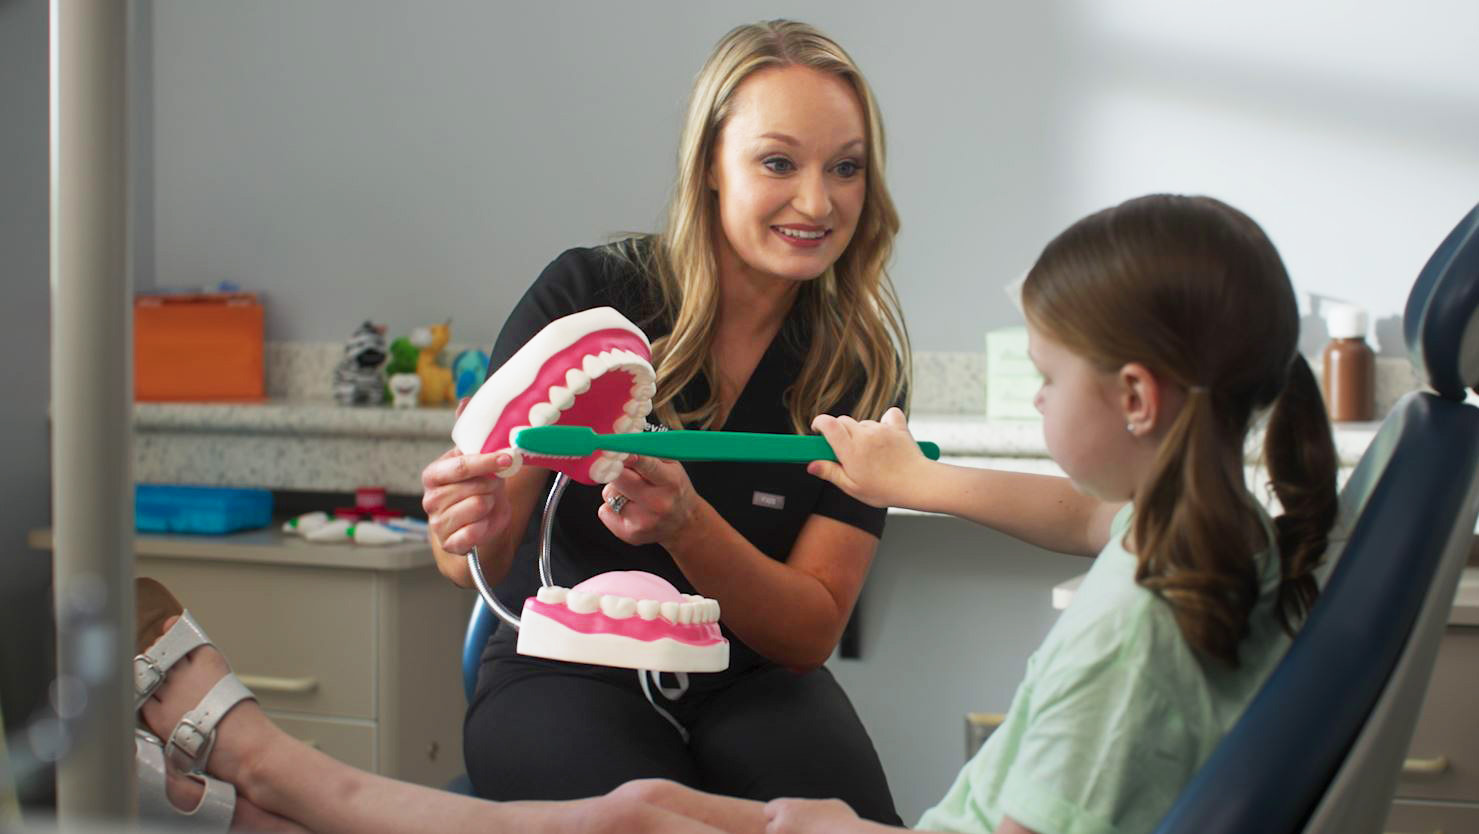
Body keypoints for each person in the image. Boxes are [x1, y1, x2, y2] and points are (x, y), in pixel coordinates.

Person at [612, 193, 1342, 833]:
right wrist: (915, 480)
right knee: (642, 808)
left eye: (1048, 377)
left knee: (642, 819)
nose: (1036, 399)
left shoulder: (1130, 639)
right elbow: (1081, 517)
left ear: (1135, 399)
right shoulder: (1208, 534)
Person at [419, 19, 908, 823]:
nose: (817, 202)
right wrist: (471, 520)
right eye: (777, 162)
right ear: (710, 165)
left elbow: (809, 631)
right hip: (563, 672)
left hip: (753, 680)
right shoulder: (588, 297)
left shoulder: (858, 367)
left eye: (845, 168)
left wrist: (688, 525)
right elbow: (469, 551)